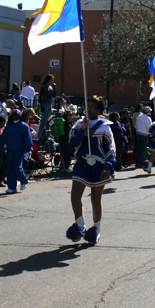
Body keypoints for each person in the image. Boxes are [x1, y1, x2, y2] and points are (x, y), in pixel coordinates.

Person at [66, 95, 115, 245]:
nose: (89, 109)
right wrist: (82, 129)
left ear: (99, 109)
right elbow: (72, 143)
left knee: (95, 199)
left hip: (99, 166)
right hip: (82, 164)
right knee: (75, 195)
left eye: (92, 107)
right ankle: (80, 226)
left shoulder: (105, 126)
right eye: (87, 107)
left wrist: (108, 167)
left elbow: (111, 149)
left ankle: (96, 230)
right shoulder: (79, 124)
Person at [0, 111, 31, 194]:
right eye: (14, 115)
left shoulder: (23, 126)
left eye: (17, 115)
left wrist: (28, 150)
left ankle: (24, 180)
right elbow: (3, 139)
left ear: (20, 116)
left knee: (17, 167)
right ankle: (12, 187)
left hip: (20, 150)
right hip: (10, 149)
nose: (15, 117)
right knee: (10, 168)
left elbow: (27, 139)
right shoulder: (9, 126)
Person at [37, 74, 56, 143]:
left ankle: (46, 135)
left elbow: (54, 95)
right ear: (48, 80)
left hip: (49, 103)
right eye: (51, 80)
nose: (52, 81)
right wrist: (41, 106)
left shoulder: (51, 87)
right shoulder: (44, 86)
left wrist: (54, 88)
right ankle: (40, 135)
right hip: (44, 103)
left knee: (48, 120)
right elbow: (40, 97)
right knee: (43, 120)